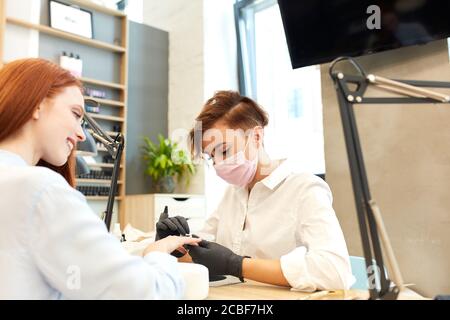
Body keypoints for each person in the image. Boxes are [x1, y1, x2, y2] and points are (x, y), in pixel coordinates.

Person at [0, 58, 200, 299]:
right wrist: (158, 254)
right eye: (75, 114)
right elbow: (146, 295)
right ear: (37, 104)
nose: (81, 134)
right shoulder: (41, 190)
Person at [156, 91, 355, 291]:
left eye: (224, 150)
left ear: (256, 136)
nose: (218, 164)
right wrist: (170, 247)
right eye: (211, 157)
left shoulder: (304, 188)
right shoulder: (233, 194)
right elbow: (202, 254)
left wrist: (237, 264)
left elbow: (335, 272)